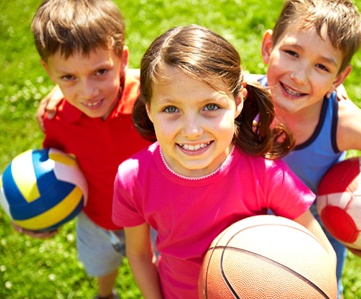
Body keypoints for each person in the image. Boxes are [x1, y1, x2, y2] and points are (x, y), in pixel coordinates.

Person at [112, 24, 336, 299]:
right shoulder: (133, 178)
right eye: (171, 109)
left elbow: (321, 248)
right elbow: (138, 254)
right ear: (148, 109)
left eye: (210, 107)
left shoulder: (263, 171)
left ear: (238, 100)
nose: (192, 130)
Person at [19, 0, 151, 298]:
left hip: (152, 219)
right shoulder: (57, 119)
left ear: (123, 58)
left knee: (156, 273)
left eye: (101, 72)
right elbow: (57, 170)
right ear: (48, 71)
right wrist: (44, 214)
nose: (88, 92)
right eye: (68, 78)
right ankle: (105, 294)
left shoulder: (151, 105)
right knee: (101, 266)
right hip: (96, 219)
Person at [257, 0, 361, 296]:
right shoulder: (241, 101)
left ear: (338, 78)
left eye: (322, 67)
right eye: (291, 53)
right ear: (268, 47)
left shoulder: (342, 122)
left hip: (314, 248)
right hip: (246, 239)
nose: (300, 76)